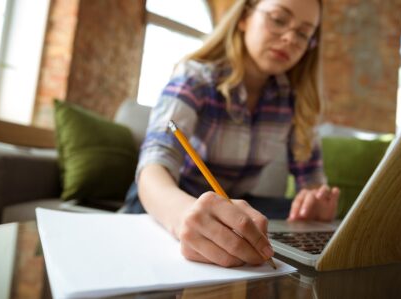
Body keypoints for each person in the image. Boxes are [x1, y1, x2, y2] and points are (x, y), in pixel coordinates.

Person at [125, 0, 340, 267]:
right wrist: (183, 217)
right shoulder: (196, 77)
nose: (289, 38)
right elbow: (154, 166)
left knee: (308, 225)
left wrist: (314, 205)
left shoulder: (296, 101)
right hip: (174, 198)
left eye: (303, 33)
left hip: (236, 205)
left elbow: (312, 184)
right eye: (278, 19)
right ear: (244, 17)